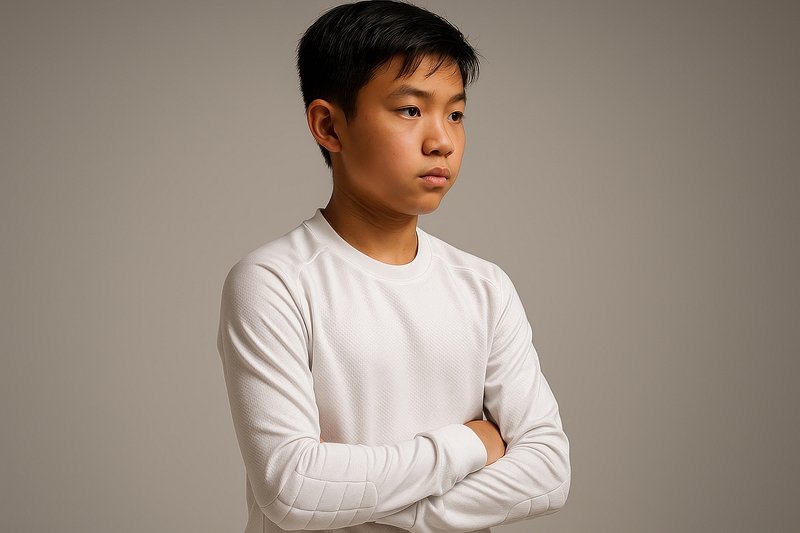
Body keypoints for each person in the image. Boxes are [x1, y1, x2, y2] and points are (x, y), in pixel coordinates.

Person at [216, 2, 570, 532]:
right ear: (328, 126)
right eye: (410, 110)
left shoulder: (484, 287)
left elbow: (548, 473)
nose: (442, 141)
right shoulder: (274, 282)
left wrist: (375, 507)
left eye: (455, 114)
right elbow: (291, 489)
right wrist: (471, 442)